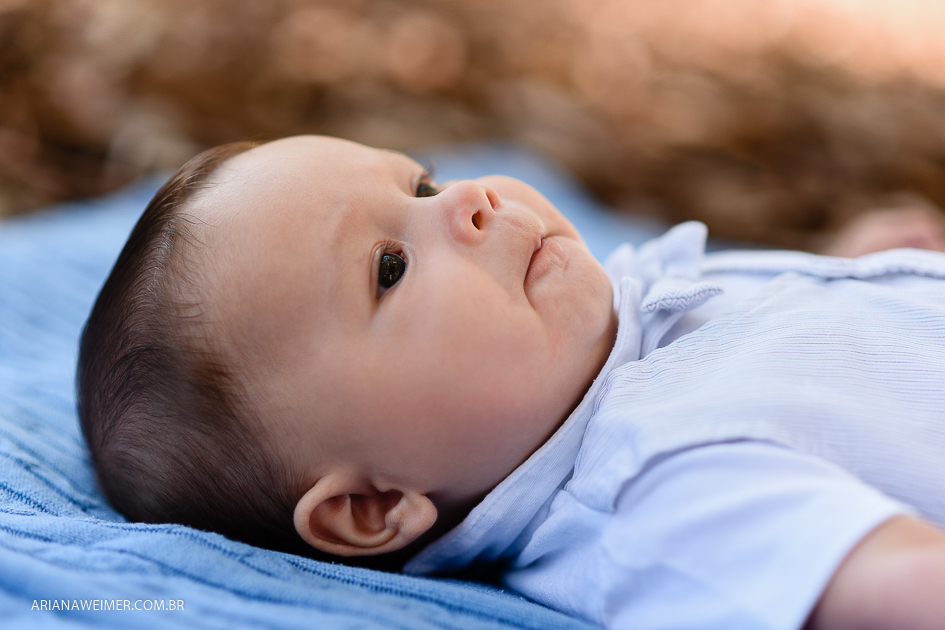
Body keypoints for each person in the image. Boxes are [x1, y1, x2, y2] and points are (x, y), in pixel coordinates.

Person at [78, 135, 945, 630]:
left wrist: (846, 270)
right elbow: (898, 586)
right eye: (388, 267)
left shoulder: (607, 330)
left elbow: (790, 374)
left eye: (421, 181)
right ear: (372, 507)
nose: (468, 201)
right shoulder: (654, 494)